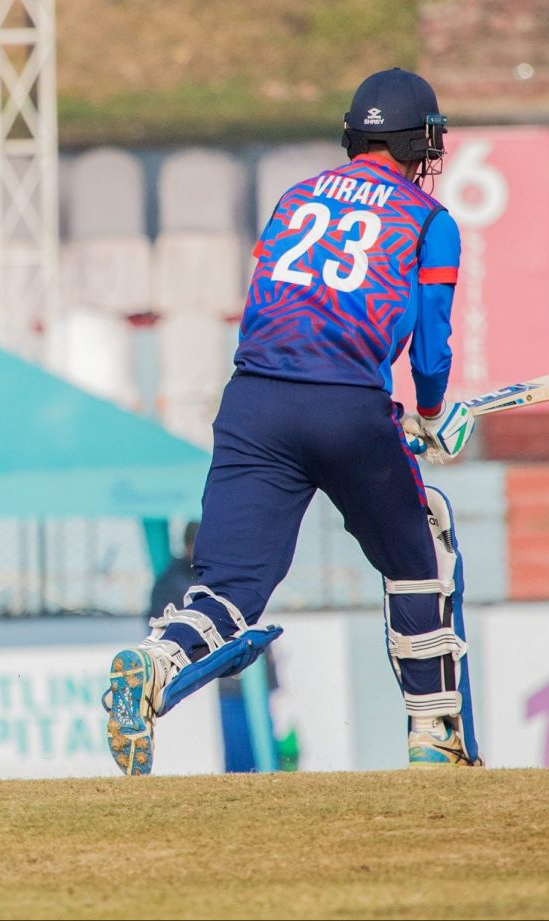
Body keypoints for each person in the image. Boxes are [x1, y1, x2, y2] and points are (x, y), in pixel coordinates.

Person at [106, 68, 481, 774]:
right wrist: (430, 414)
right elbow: (430, 343)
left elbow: (275, 304)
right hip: (344, 405)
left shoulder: (295, 197)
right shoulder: (431, 222)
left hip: (252, 402)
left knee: (230, 585)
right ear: (419, 142)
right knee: (419, 550)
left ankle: (157, 660)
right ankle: (433, 732)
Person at [146, 521, 301, 773]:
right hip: (215, 681)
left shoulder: (210, 572)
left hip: (239, 673)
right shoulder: (177, 579)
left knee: (261, 742)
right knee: (237, 755)